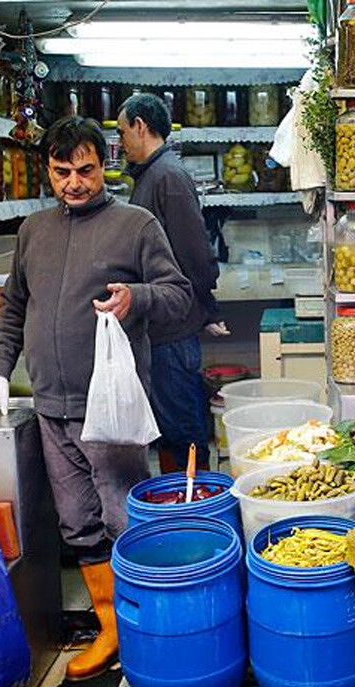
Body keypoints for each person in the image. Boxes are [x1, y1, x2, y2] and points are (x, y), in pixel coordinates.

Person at [0, 116, 192, 681]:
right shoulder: (34, 231)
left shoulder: (135, 224)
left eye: (85, 170)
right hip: (49, 407)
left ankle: (147, 627)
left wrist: (135, 297)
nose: (75, 183)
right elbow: (13, 308)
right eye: (62, 172)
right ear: (49, 171)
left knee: (122, 518)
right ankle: (111, 630)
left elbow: (179, 296)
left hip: (109, 409)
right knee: (77, 525)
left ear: (104, 163)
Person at [118, 93, 225, 474]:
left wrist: (207, 306)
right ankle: (177, 503)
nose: (121, 141)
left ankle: (196, 509)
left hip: (173, 328)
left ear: (140, 127)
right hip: (159, 326)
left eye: (123, 131)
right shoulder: (151, 175)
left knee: (183, 429)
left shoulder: (168, 177)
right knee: (170, 427)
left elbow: (194, 250)